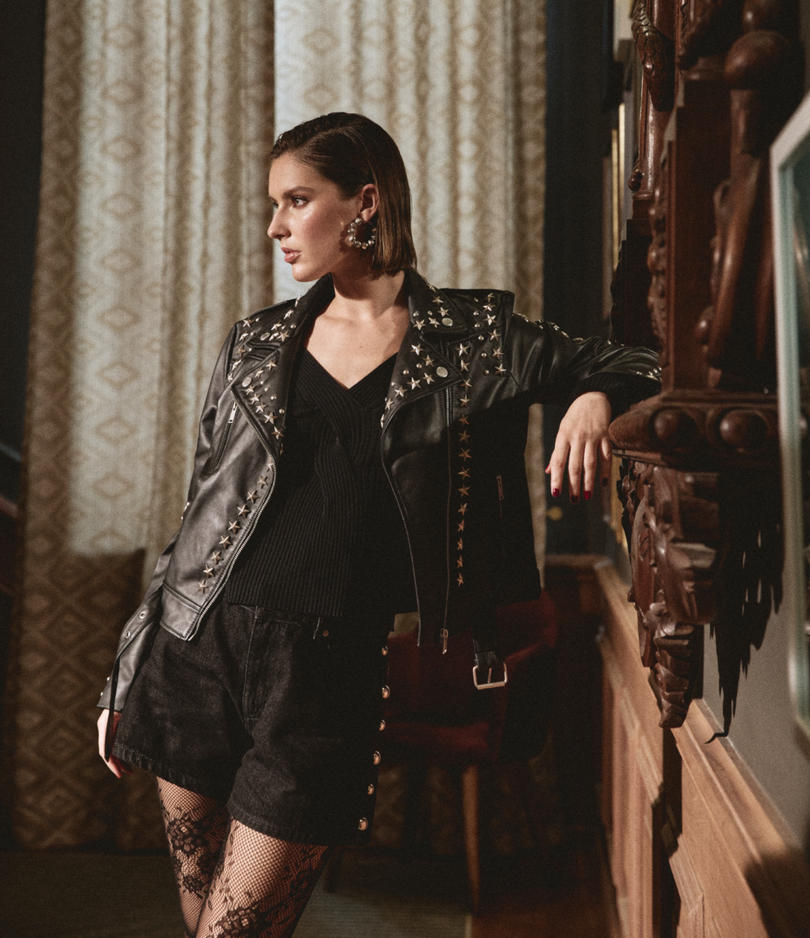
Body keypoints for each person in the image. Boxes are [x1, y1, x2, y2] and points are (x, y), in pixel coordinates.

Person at [97, 112, 660, 937]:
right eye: (273, 204)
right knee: (204, 923)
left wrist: (593, 396)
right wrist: (125, 672)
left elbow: (648, 362)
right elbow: (198, 516)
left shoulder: (473, 341)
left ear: (365, 203)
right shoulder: (256, 343)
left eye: (296, 201)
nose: (275, 226)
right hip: (196, 654)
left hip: (327, 673)